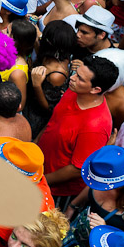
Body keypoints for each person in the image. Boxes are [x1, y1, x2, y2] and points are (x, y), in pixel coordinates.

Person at [37, 55, 117, 208]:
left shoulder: (95, 127)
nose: (72, 78)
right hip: (38, 170)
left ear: (95, 89)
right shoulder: (75, 90)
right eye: (75, 73)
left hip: (54, 190)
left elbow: (76, 169)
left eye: (80, 78)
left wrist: (39, 180)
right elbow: (54, 121)